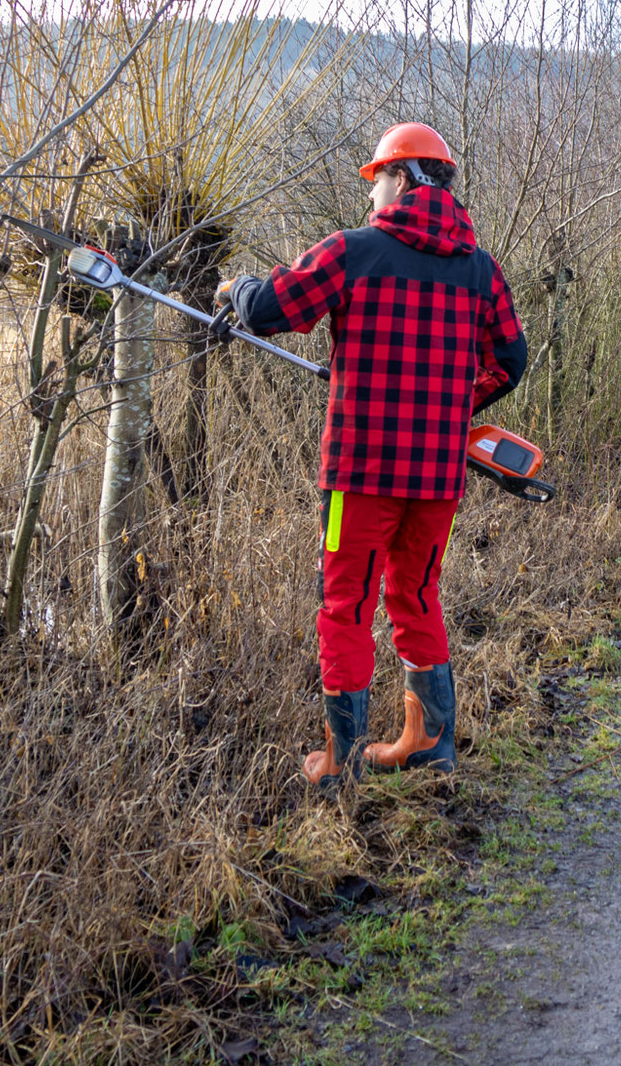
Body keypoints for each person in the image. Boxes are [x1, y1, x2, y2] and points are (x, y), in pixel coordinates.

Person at [222, 122, 526, 790]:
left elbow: (271, 309)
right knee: (416, 594)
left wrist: (236, 287)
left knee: (347, 605)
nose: (371, 198)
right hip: (437, 479)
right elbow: (511, 360)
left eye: (377, 182)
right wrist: (450, 407)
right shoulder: (480, 270)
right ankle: (430, 746)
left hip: (359, 478)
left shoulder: (355, 252)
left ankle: (341, 762)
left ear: (404, 179)